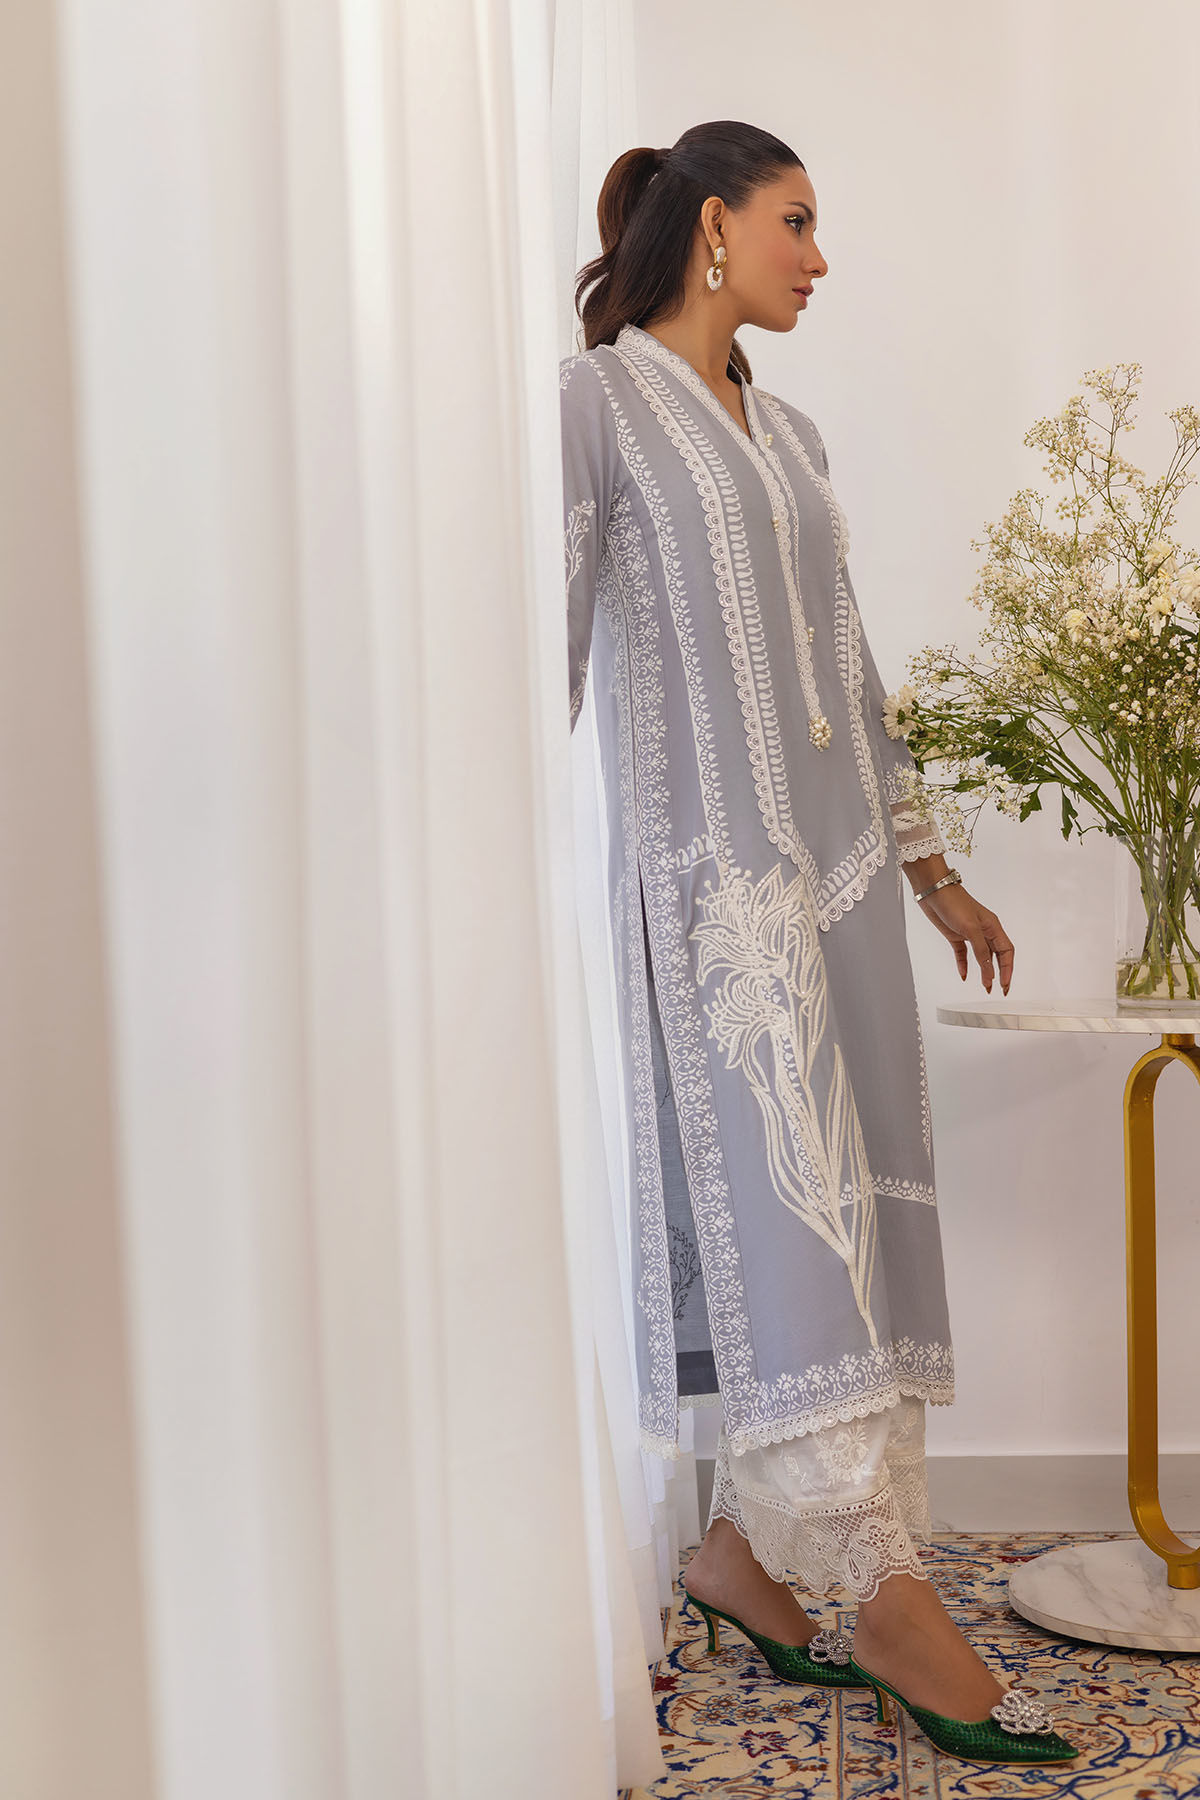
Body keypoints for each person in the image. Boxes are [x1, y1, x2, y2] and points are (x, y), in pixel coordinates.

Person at [559, 120, 1077, 1767]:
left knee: (854, 1218)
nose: (819, 256)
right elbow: (531, 652)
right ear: (714, 226)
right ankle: (881, 1591)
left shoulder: (793, 433)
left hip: (840, 879)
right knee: (789, 1221)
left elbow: (852, 664)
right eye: (797, 222)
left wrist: (931, 874)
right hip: (720, 894)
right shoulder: (595, 408)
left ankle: (738, 1556)